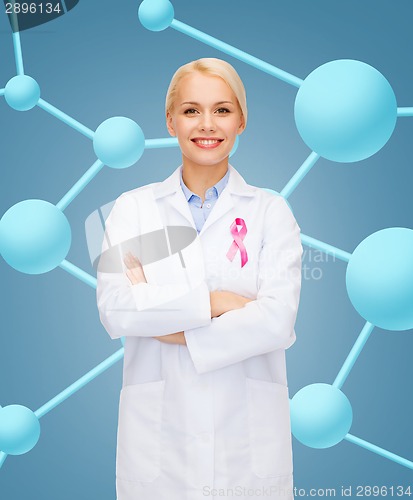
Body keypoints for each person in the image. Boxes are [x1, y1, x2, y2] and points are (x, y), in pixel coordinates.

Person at [96, 57, 303, 500]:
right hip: (159, 449)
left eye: (222, 110)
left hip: (247, 447)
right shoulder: (134, 209)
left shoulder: (271, 212)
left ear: (242, 120)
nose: (207, 124)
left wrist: (165, 317)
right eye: (191, 110)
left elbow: (277, 321)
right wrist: (217, 302)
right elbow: (117, 309)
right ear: (170, 121)